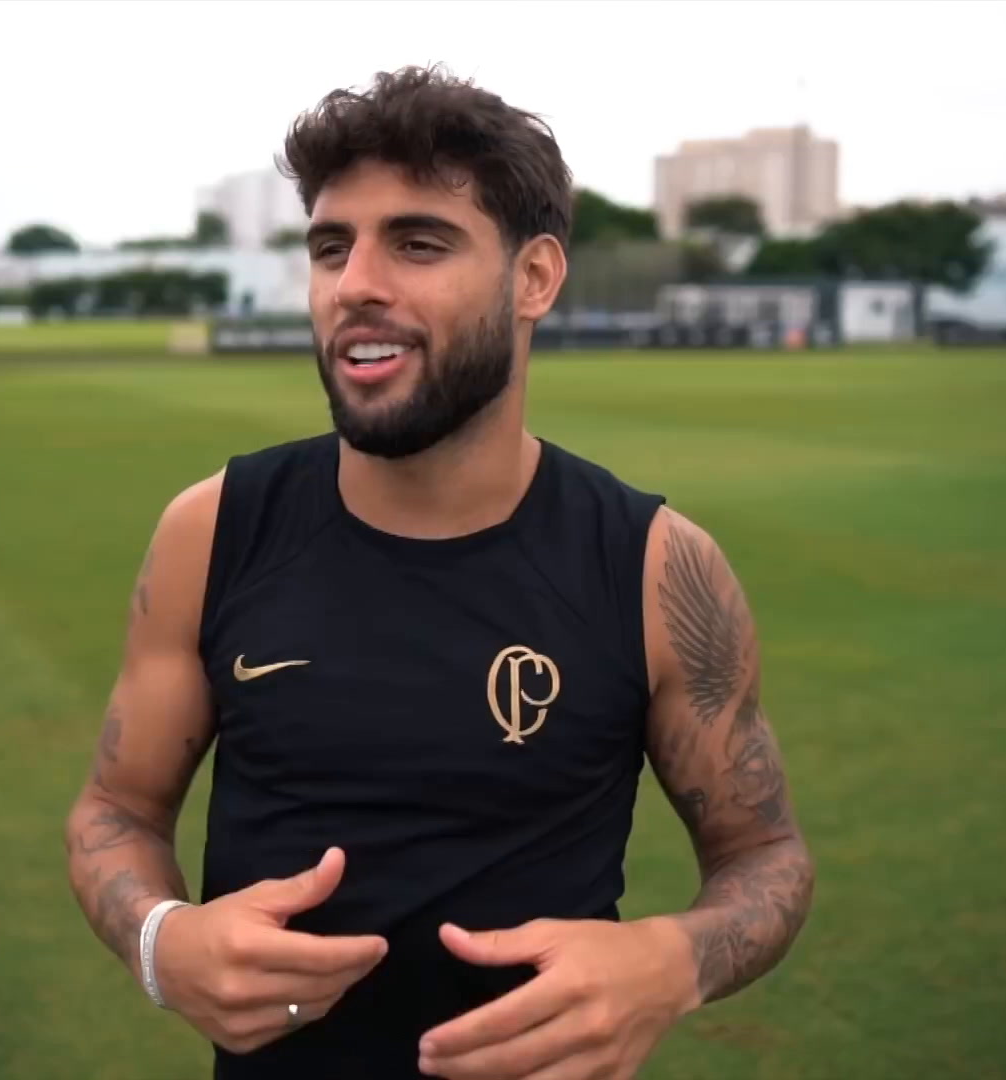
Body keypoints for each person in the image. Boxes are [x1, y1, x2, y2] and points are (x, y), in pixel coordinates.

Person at [65, 65, 815, 1080]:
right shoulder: (214, 531)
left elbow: (766, 856)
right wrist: (162, 941)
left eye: (418, 243)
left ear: (535, 278)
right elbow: (114, 811)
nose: (355, 284)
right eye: (331, 248)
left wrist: (672, 960)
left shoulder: (654, 566)